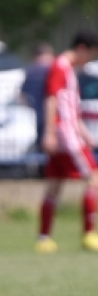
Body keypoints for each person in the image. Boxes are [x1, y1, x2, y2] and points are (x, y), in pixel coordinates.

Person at [35, 31, 98, 254]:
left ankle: (44, 238)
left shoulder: (69, 69)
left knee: (55, 184)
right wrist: (50, 133)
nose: (89, 60)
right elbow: (51, 98)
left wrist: (85, 133)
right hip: (65, 135)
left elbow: (70, 108)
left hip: (69, 132)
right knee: (94, 177)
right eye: (90, 55)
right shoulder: (60, 66)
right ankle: (89, 234)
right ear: (82, 48)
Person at [20, 42, 55, 153]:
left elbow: (23, 95)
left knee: (41, 144)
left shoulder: (31, 71)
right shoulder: (53, 69)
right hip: (53, 115)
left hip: (37, 114)